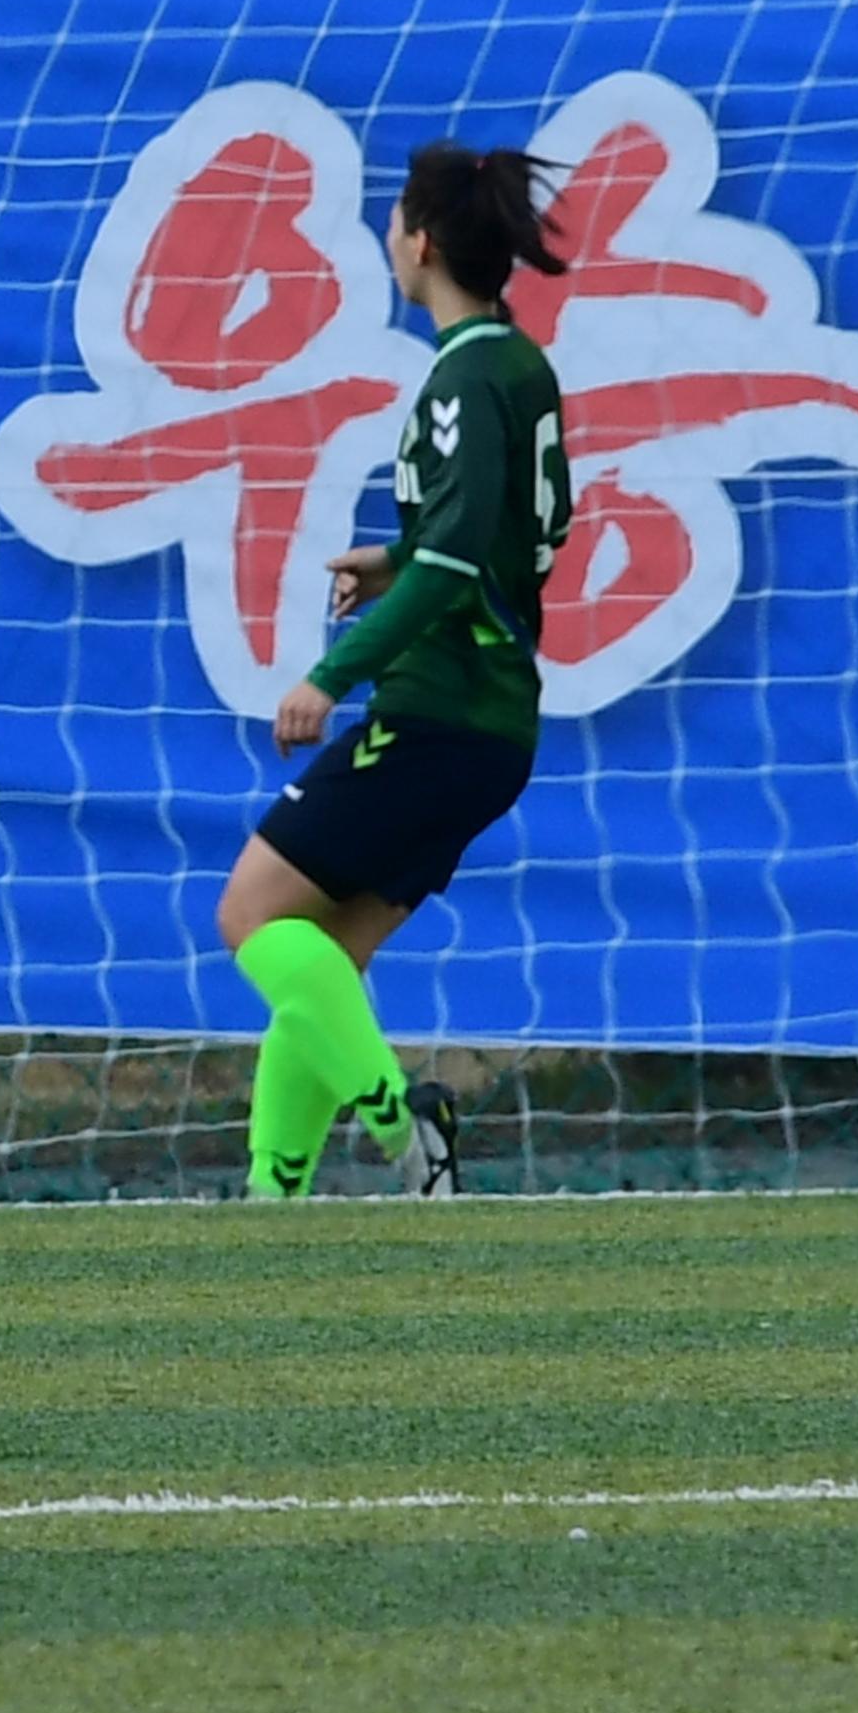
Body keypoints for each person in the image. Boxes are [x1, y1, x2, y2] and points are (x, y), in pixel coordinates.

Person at [222, 140, 574, 1201]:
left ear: (417, 243)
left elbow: (465, 556)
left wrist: (333, 674)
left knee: (251, 918)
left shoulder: (464, 375)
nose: (385, 239)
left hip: (436, 713)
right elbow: (504, 542)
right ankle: (269, 1200)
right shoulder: (517, 364)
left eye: (392, 224)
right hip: (490, 728)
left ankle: (401, 1132)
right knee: (326, 955)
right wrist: (396, 560)